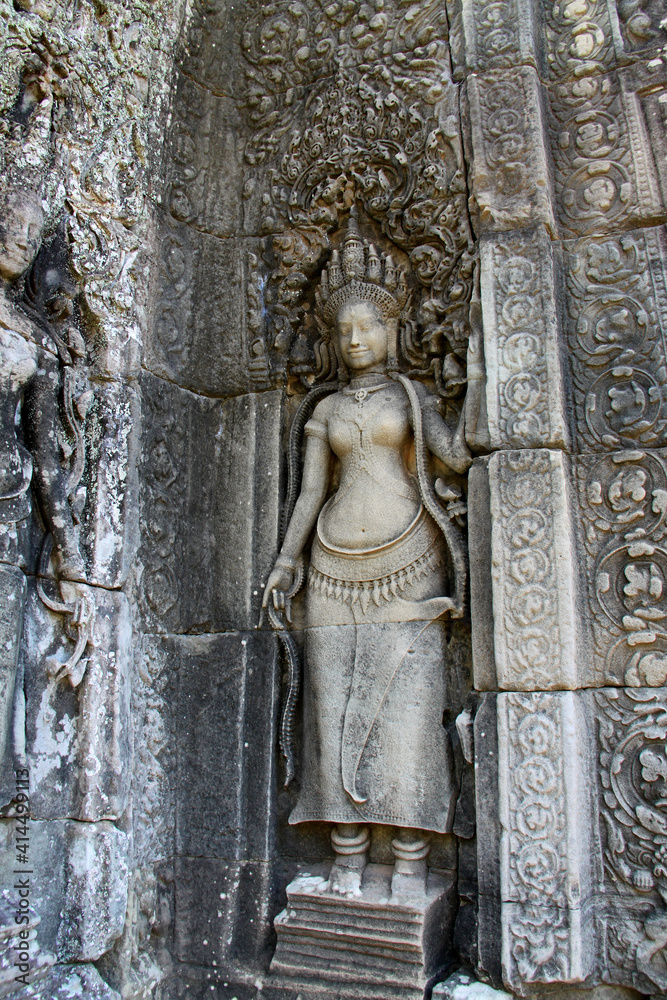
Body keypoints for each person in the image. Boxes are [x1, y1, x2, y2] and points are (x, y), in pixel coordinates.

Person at [263, 215, 471, 896]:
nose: (354, 341)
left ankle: (410, 861)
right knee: (334, 715)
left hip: (409, 561)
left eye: (367, 328)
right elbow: (307, 495)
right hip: (329, 571)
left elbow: (455, 455)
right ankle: (347, 859)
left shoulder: (409, 397)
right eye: (342, 331)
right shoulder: (323, 408)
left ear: (390, 330)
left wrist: (486, 377)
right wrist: (285, 564)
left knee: (408, 718)